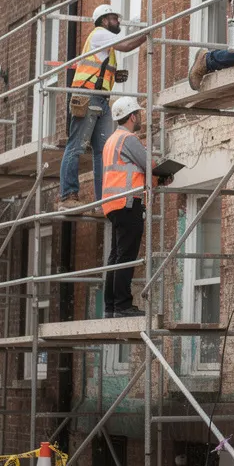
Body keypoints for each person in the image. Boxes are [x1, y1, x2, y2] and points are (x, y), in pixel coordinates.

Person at [58, 4, 148, 212]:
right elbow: (126, 45)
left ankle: (102, 200)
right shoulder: (100, 34)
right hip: (89, 97)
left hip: (100, 100)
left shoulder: (106, 44)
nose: (117, 22)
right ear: (104, 19)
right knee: (76, 146)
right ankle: (67, 195)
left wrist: (113, 75)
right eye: (114, 18)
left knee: (103, 152)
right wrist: (146, 35)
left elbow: (100, 69)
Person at [99, 97, 169, 318]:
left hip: (114, 204)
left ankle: (111, 306)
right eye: (138, 114)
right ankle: (122, 305)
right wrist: (164, 174)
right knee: (126, 256)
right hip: (128, 203)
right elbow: (149, 165)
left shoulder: (111, 140)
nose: (139, 118)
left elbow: (134, 170)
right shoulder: (128, 139)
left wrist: (156, 179)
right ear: (131, 117)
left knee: (116, 256)